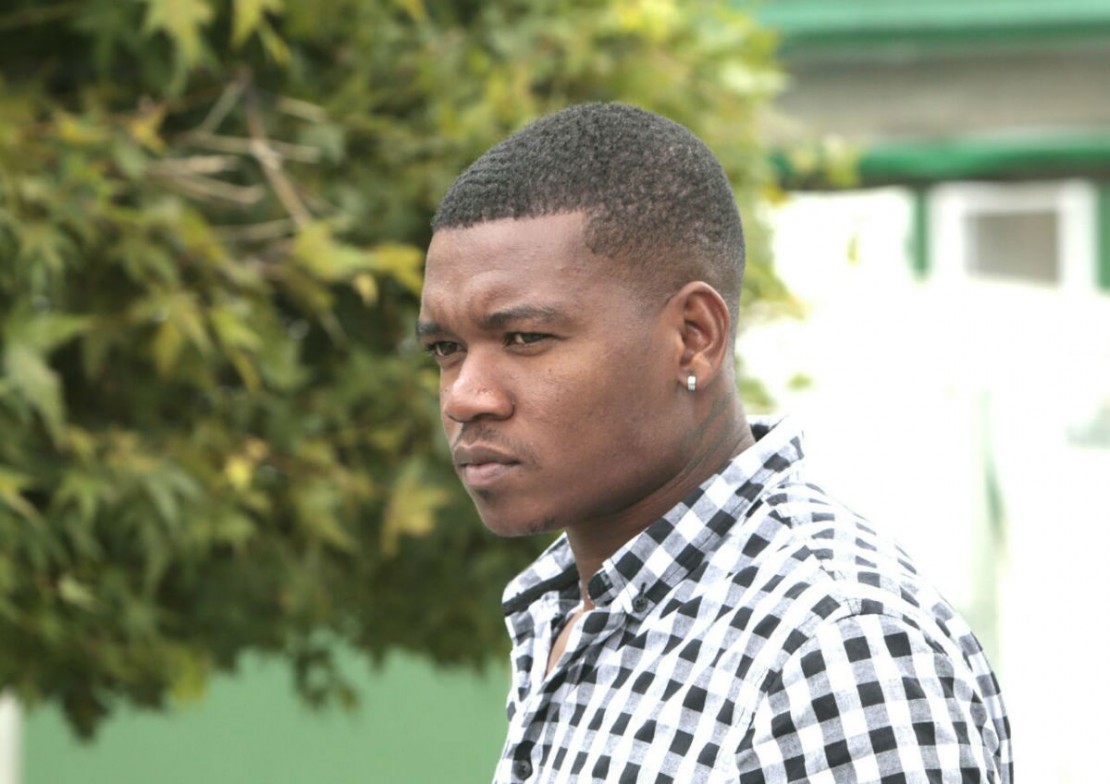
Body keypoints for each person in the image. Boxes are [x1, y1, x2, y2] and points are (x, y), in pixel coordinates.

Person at [418, 103, 1012, 783]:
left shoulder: (834, 648)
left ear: (694, 337)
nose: (465, 396)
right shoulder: (576, 609)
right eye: (446, 349)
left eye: (525, 338)